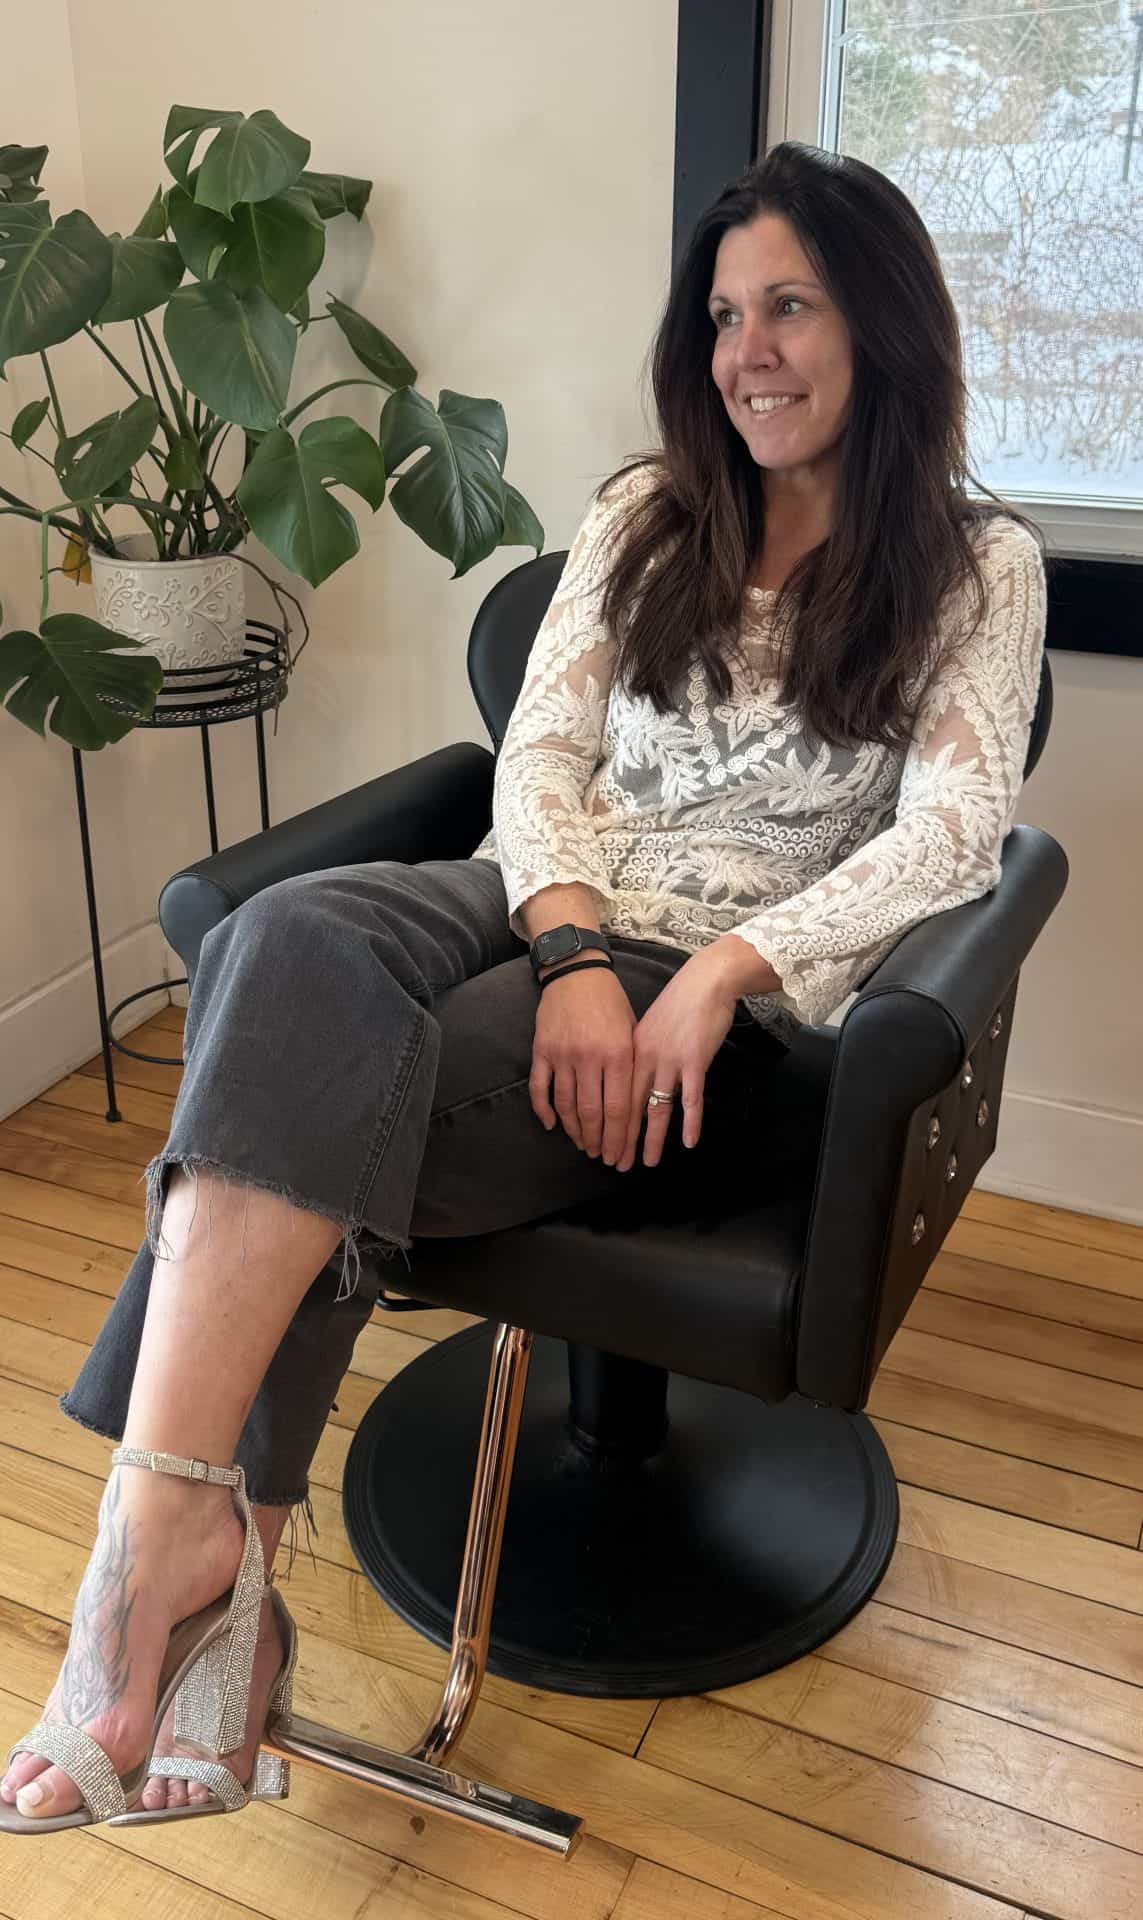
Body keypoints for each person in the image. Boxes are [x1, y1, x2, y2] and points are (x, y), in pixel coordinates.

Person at [1, 139, 1047, 1831]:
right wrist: (563, 941)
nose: (748, 349)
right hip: (531, 904)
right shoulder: (644, 513)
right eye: (724, 313)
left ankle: (165, 1577)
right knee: (282, 947)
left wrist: (713, 971)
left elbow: (950, 840)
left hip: (728, 1017)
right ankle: (193, 1547)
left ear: (885, 328)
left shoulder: (974, 567)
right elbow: (539, 753)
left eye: (791, 305)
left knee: (308, 1103)